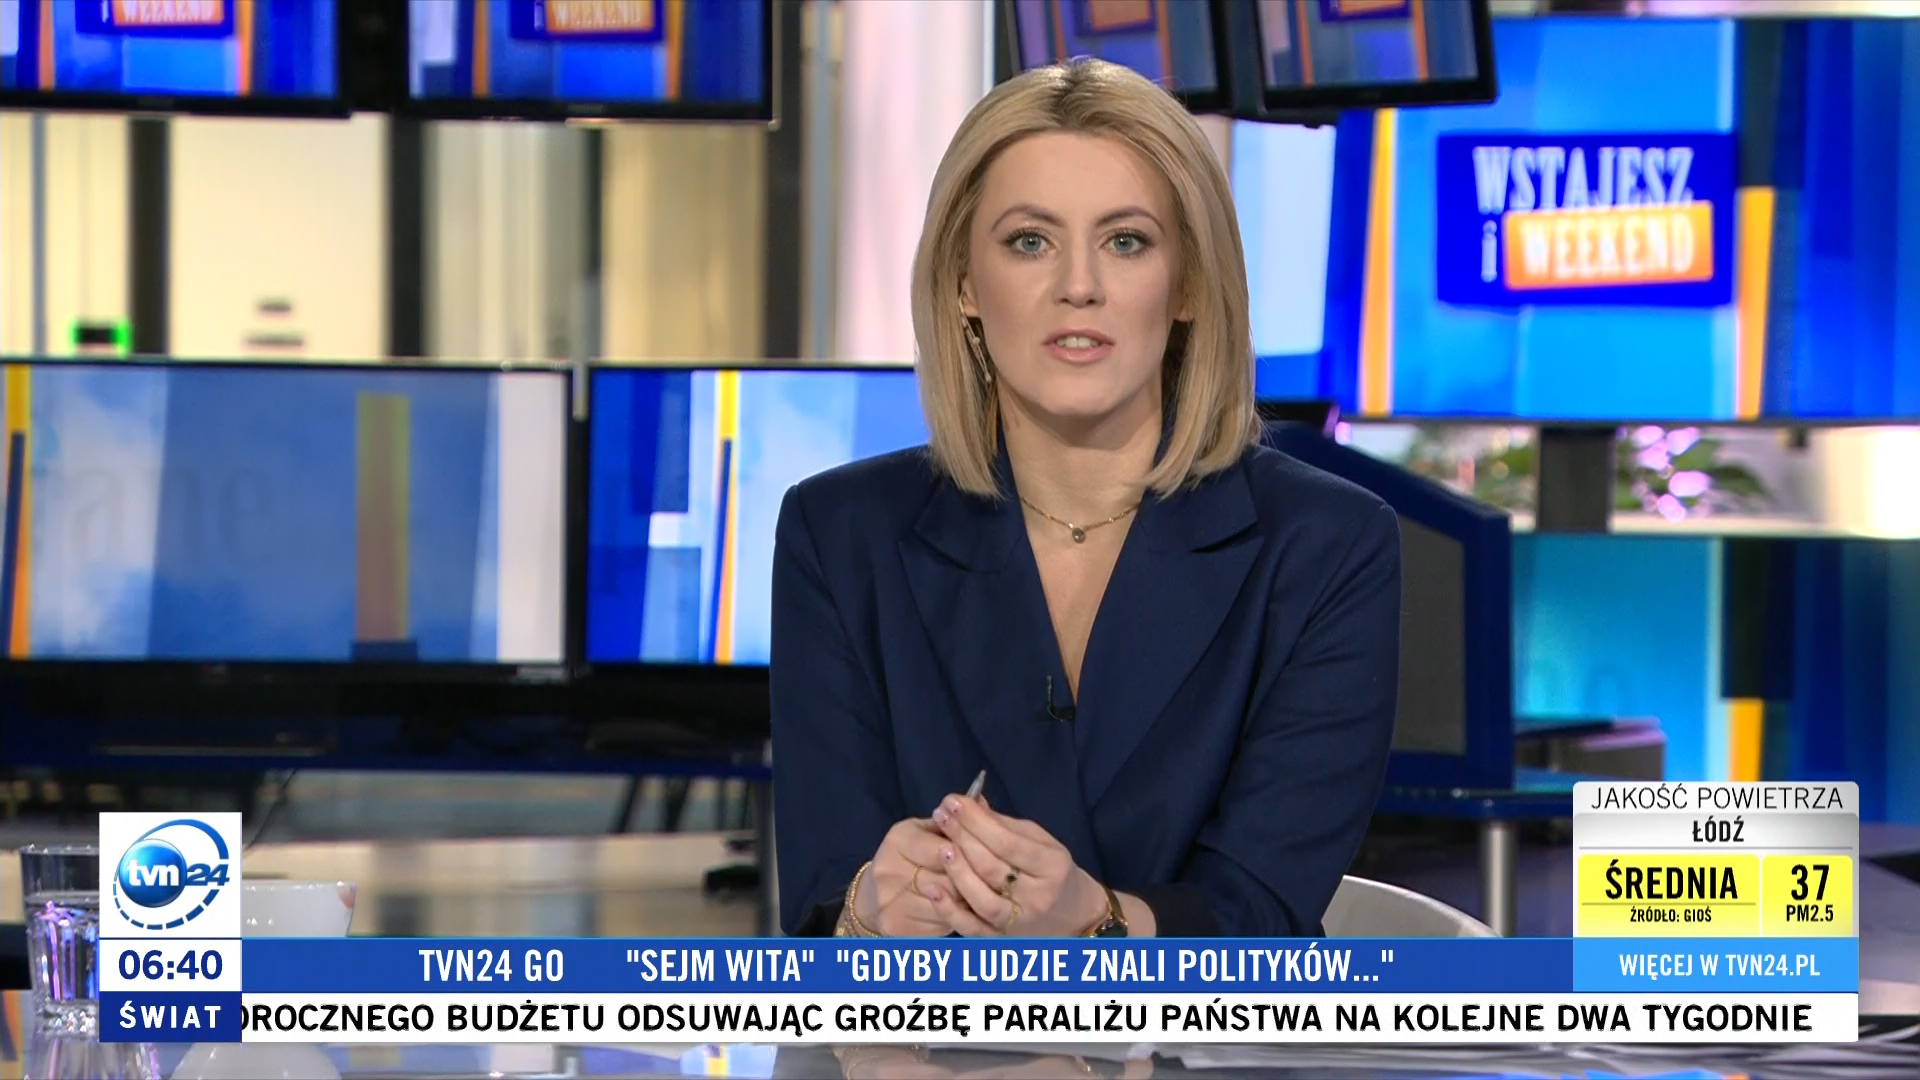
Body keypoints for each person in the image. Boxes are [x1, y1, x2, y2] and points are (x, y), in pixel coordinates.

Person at [771, 59, 1401, 939]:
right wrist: (867, 913)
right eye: (1030, 241)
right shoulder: (838, 537)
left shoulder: (1328, 547)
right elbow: (817, 902)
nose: (1079, 285)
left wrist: (1098, 925)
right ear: (963, 282)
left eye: (1126, 242)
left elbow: (1262, 913)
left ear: (1188, 283)